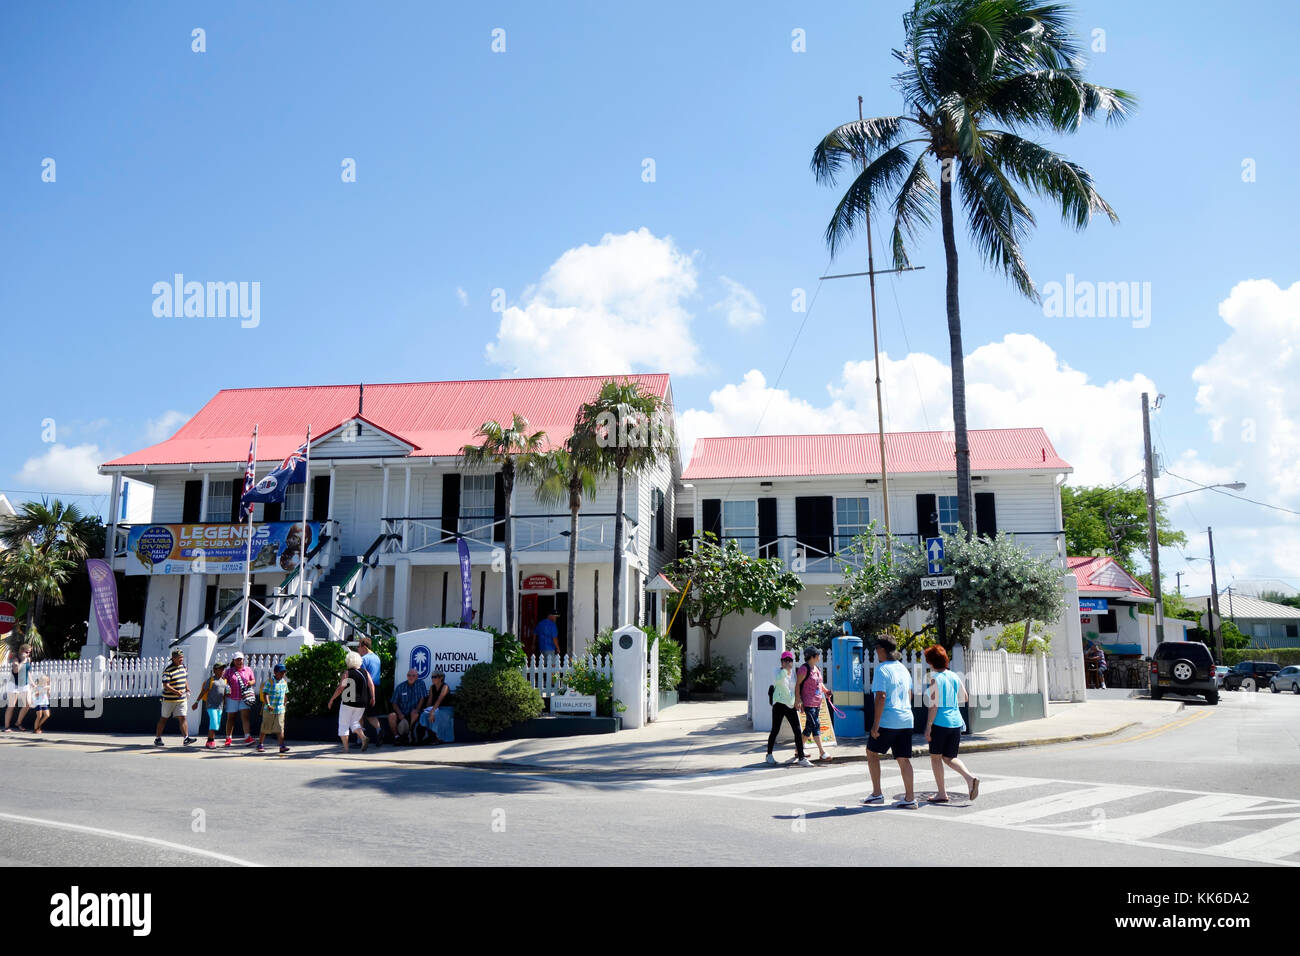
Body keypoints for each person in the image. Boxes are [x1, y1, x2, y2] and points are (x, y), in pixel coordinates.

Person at [863, 635, 917, 809]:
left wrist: (875, 724)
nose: (876, 651)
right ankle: (910, 798)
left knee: (871, 752)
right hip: (906, 718)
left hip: (889, 719)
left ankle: (877, 793)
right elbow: (909, 694)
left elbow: (881, 697)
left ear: (881, 650)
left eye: (877, 648)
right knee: (903, 758)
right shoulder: (903, 669)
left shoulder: (882, 669)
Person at [923, 645, 979, 803]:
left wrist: (928, 727)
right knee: (949, 757)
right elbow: (965, 697)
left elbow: (933, 706)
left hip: (940, 723)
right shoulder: (953, 676)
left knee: (935, 758)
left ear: (931, 661)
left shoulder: (934, 678)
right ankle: (970, 778)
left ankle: (941, 793)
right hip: (956, 722)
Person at [766, 651, 811, 766]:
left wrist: (798, 701)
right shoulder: (777, 671)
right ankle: (769, 755)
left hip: (790, 705)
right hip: (779, 704)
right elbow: (778, 681)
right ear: (781, 662)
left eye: (790, 660)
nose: (788, 662)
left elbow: (795, 688)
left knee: (797, 731)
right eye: (785, 660)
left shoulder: (794, 674)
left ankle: (801, 757)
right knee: (775, 729)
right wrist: (785, 670)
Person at [327, 651, 374, 752]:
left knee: (343, 724)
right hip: (362, 703)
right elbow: (371, 685)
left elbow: (341, 688)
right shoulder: (365, 672)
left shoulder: (347, 673)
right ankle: (363, 737)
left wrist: (332, 699)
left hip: (348, 702)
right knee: (354, 722)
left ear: (348, 661)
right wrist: (373, 697)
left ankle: (346, 748)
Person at [795, 647, 831, 762]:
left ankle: (798, 749)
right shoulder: (804, 669)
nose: (819, 657)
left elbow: (820, 684)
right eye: (818, 655)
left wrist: (826, 692)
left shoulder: (817, 668)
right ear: (813, 656)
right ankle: (822, 752)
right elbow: (797, 685)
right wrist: (798, 700)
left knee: (810, 726)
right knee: (814, 725)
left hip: (817, 702)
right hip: (808, 702)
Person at [154, 648, 195, 746]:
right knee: (164, 718)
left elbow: (185, 679)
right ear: (173, 658)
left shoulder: (183, 667)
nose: (181, 660)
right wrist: (176, 692)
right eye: (179, 658)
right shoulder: (168, 670)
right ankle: (158, 738)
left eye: (182, 658)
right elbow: (166, 685)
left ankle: (186, 738)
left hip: (181, 699)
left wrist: (187, 689)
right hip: (168, 699)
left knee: (183, 717)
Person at [222, 652, 257, 746]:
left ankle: (247, 737)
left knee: (245, 717)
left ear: (243, 660)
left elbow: (253, 680)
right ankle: (228, 738)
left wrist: (250, 682)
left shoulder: (248, 670)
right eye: (237, 659)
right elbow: (223, 683)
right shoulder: (229, 671)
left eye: (240, 659)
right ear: (233, 661)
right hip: (231, 698)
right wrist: (224, 696)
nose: (239, 661)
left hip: (244, 697)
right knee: (231, 718)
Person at [193, 661, 228, 749]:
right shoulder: (211, 680)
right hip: (211, 705)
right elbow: (203, 691)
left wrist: (225, 703)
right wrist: (196, 702)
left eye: (223, 669)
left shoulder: (224, 681)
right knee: (214, 723)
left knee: (216, 724)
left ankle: (211, 740)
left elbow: (224, 694)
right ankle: (210, 741)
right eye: (220, 669)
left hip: (220, 706)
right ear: (215, 670)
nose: (222, 671)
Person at [357, 636, 384, 746]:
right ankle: (379, 731)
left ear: (363, 647)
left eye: (358, 647)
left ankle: (361, 740)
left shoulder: (364, 659)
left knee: (359, 714)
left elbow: (361, 676)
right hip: (376, 688)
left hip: (366, 689)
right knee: (371, 714)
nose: (358, 649)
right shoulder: (377, 658)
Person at [388, 668, 428, 744]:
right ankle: (397, 737)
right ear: (407, 676)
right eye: (409, 675)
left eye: (413, 675)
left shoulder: (421, 684)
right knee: (391, 716)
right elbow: (394, 703)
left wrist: (417, 709)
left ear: (417, 676)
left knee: (414, 713)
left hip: (414, 712)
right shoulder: (400, 687)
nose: (411, 677)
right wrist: (399, 713)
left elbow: (422, 698)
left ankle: (410, 735)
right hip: (402, 713)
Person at [257, 662, 290, 754]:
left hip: (280, 709)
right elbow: (265, 694)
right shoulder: (270, 682)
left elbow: (285, 694)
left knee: (280, 728)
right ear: (275, 672)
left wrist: (285, 704)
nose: (282, 674)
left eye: (284, 672)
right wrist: (268, 704)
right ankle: (260, 744)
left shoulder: (284, 682)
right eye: (281, 672)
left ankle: (282, 746)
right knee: (265, 727)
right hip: (269, 709)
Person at [4, 644, 34, 732]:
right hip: (14, 684)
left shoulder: (28, 659)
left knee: (27, 704)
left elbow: (27, 671)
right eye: (26, 652)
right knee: (11, 705)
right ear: (21, 651)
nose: (28, 654)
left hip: (24, 684)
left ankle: (18, 722)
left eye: (29, 652)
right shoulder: (15, 659)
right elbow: (16, 670)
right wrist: (23, 661)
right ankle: (7, 727)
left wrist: (32, 682)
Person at [418, 671, 452, 744]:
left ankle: (437, 738)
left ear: (441, 678)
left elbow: (439, 700)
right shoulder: (432, 687)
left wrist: (432, 712)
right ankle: (429, 736)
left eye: (435, 677)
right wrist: (427, 710)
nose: (433, 679)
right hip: (435, 708)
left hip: (446, 709)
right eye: (432, 677)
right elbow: (430, 701)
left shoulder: (445, 687)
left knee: (435, 715)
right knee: (424, 714)